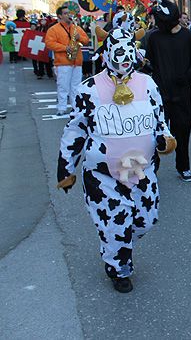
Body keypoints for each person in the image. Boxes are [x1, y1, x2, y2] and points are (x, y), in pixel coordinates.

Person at [56, 26, 176, 293]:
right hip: (103, 175)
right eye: (118, 52)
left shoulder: (148, 83)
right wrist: (65, 168)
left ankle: (117, 241)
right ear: (107, 52)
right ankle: (119, 268)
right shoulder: (88, 89)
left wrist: (164, 138)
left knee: (147, 219)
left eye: (128, 52)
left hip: (142, 172)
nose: (123, 58)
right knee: (116, 223)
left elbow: (160, 120)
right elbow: (75, 130)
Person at [145, 0, 191, 182]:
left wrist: (188, 76)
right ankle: (152, 167)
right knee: (155, 133)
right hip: (159, 94)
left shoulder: (189, 37)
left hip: (182, 93)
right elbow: (150, 63)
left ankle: (183, 166)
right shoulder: (154, 37)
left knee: (183, 131)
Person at [45, 5, 90, 116]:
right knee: (63, 86)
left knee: (76, 86)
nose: (68, 15)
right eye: (65, 13)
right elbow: (49, 43)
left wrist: (79, 37)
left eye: (69, 13)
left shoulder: (76, 28)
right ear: (59, 16)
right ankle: (61, 107)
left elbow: (86, 40)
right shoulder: (53, 29)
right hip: (63, 62)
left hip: (77, 61)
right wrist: (65, 48)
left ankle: (76, 107)